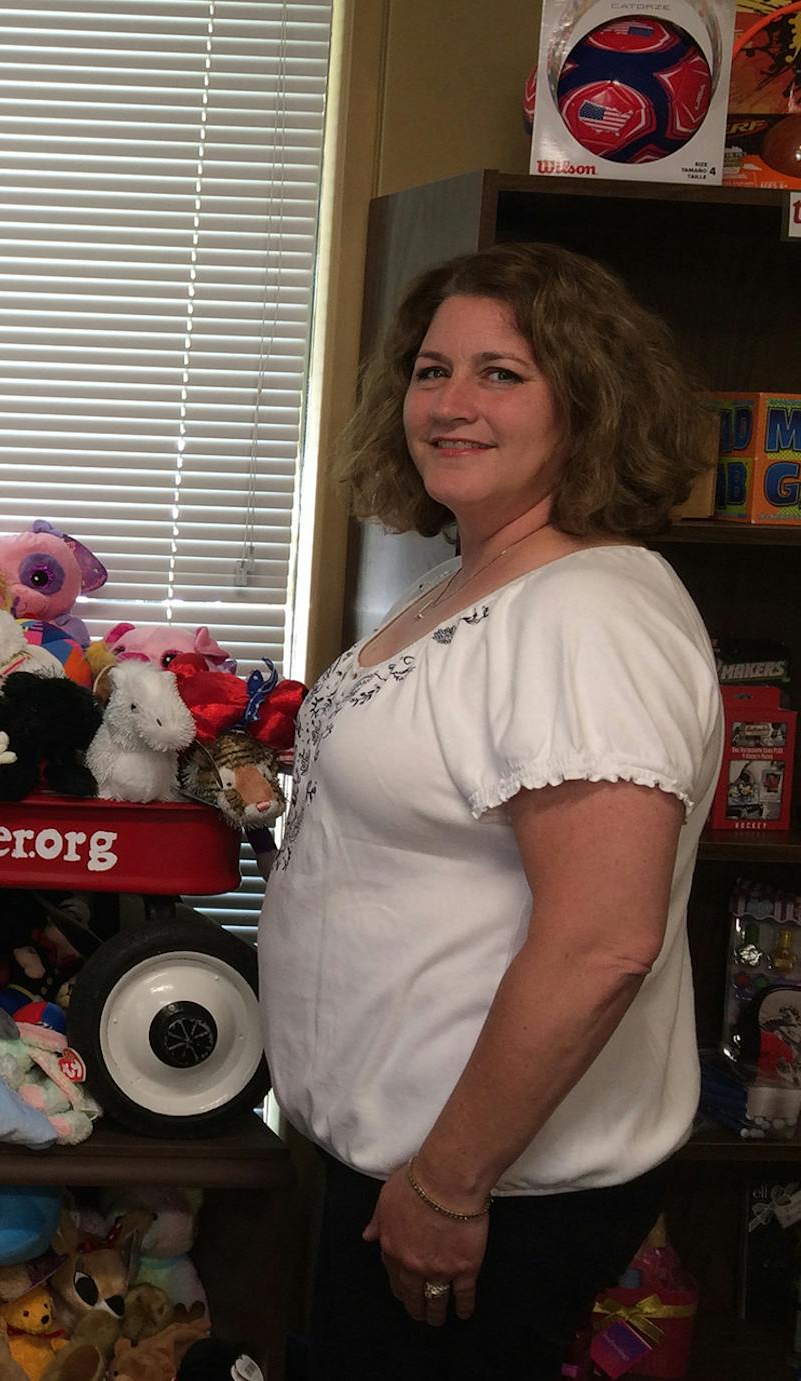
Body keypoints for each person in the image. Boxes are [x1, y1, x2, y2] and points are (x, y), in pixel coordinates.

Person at [262, 241, 721, 1379]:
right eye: (431, 370)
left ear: (588, 400)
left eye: (501, 375)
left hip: (483, 1195)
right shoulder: (472, 579)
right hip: (396, 1172)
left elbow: (602, 941)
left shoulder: (588, 616)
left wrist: (448, 1182)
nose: (451, 404)